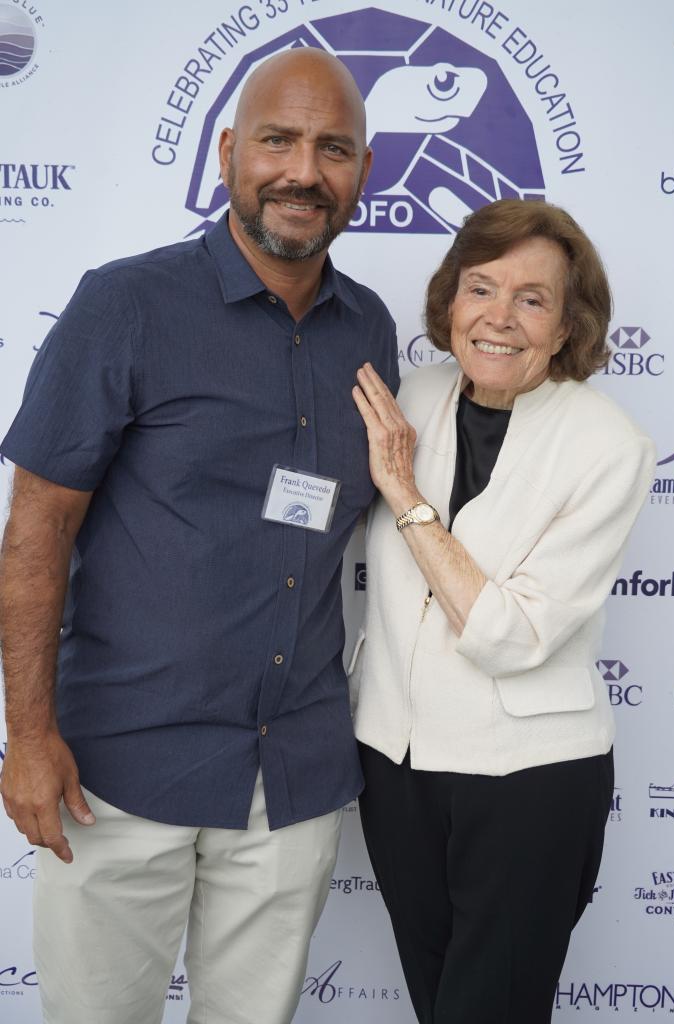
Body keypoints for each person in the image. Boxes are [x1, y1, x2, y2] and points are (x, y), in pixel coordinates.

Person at [0, 48, 398, 1024]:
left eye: (332, 148)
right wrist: (28, 736)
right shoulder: (126, 304)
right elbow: (36, 528)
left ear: (362, 171)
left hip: (291, 777)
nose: (303, 170)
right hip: (121, 771)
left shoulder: (370, 330)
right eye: (278, 140)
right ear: (227, 152)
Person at [349, 199, 654, 1024]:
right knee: (436, 1002)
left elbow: (508, 635)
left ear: (565, 327)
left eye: (531, 299)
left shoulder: (606, 444)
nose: (498, 317)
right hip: (394, 765)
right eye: (479, 288)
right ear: (449, 300)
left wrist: (406, 497)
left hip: (529, 781)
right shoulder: (409, 397)